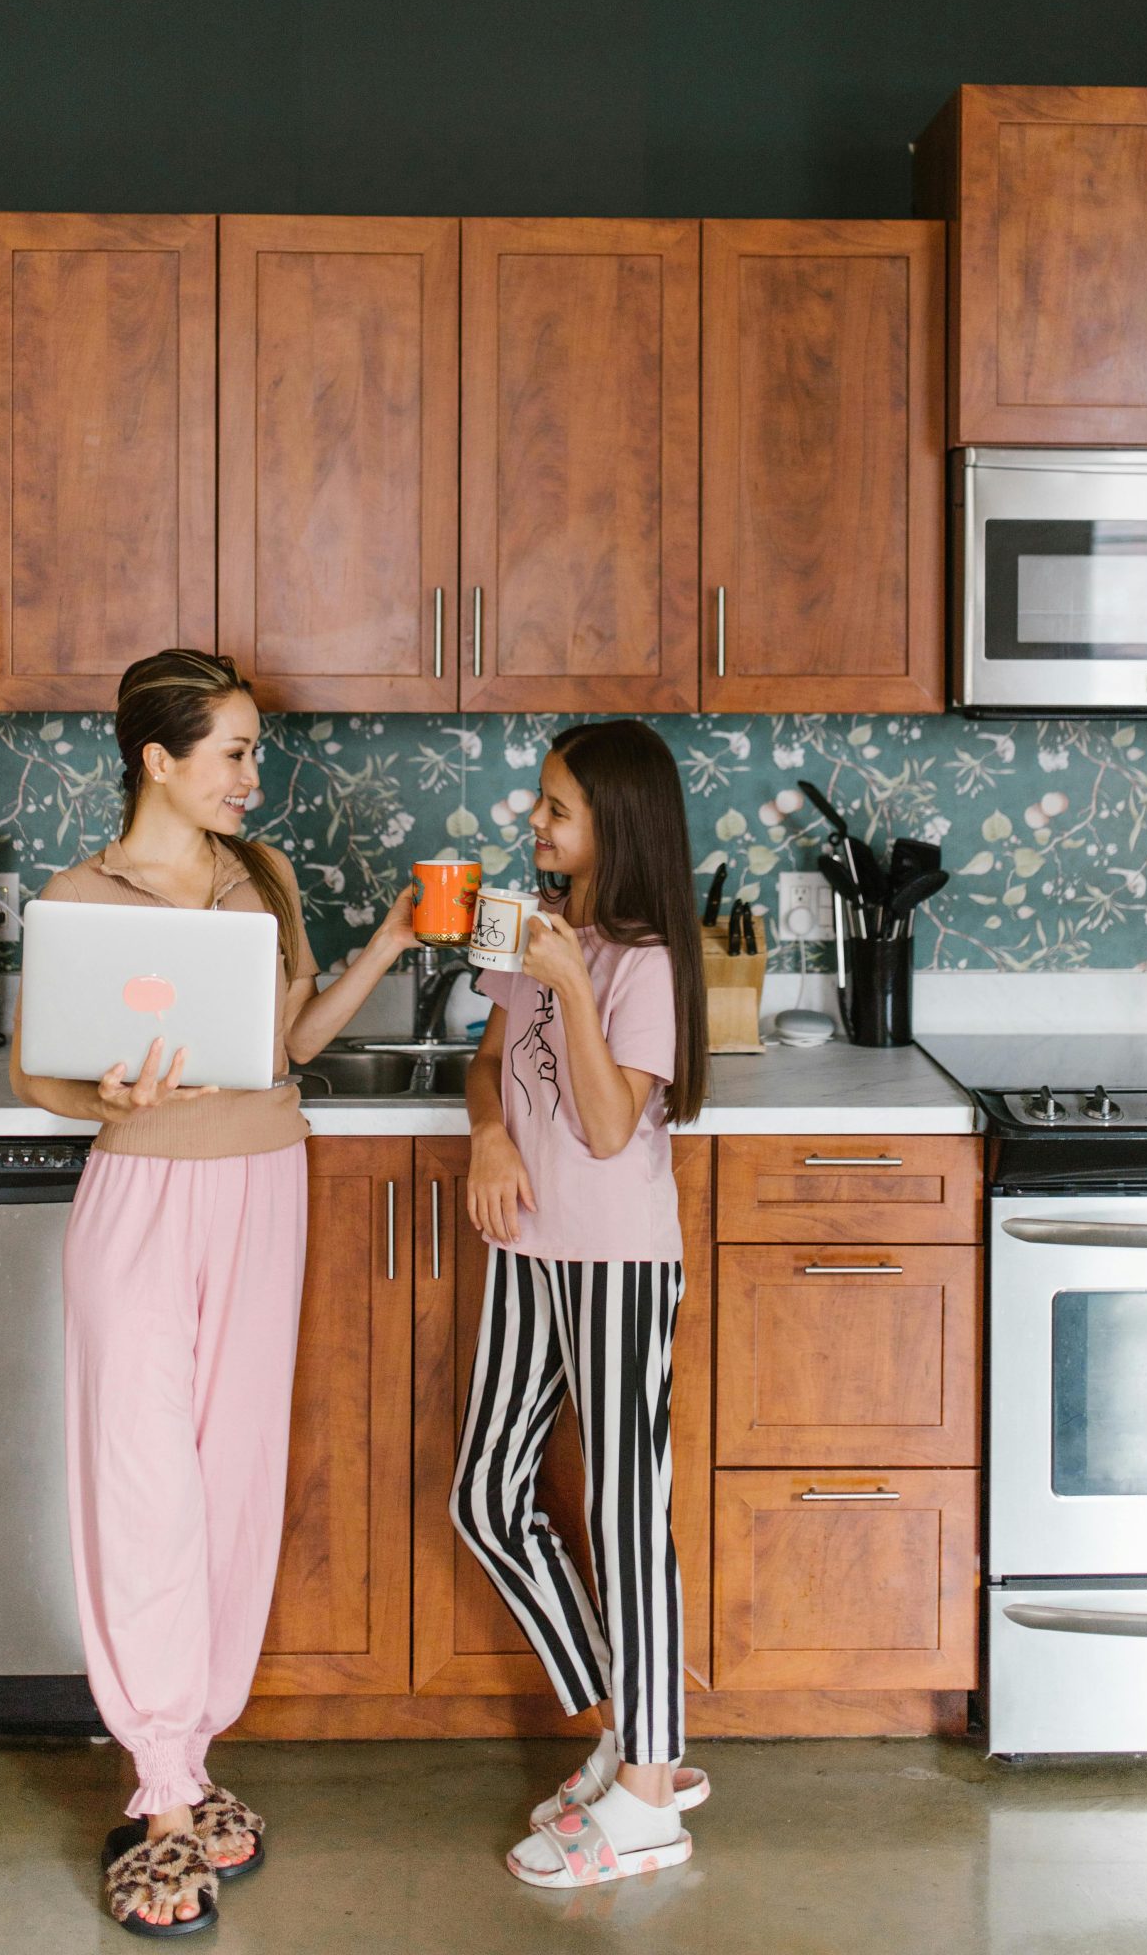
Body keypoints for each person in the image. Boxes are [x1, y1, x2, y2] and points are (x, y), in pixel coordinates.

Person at [10, 649, 416, 1936]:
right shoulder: (83, 895)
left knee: (233, 1482)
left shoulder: (267, 881)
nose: (255, 774)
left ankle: (185, 1755)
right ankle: (161, 1798)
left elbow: (285, 1048)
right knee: (143, 1492)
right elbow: (37, 1077)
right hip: (139, 1202)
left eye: (255, 750)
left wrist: (393, 942)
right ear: (160, 760)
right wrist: (103, 1098)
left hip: (265, 1192)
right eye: (235, 752)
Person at [448, 719, 711, 1890]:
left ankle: (650, 1794)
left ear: (616, 821)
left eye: (555, 808)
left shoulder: (642, 958)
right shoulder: (538, 927)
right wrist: (491, 1133)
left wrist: (571, 982)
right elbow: (484, 1054)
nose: (536, 824)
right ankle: (635, 1716)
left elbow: (610, 1127)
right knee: (485, 1496)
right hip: (529, 1247)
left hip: (613, 1259)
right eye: (540, 804)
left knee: (622, 1510)